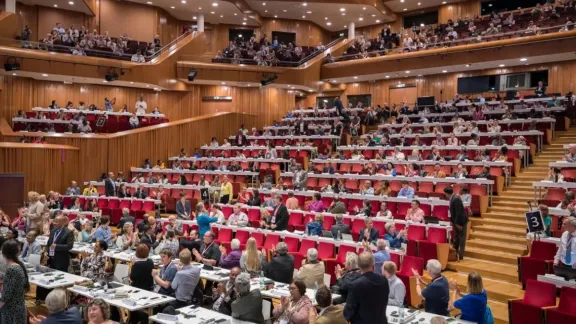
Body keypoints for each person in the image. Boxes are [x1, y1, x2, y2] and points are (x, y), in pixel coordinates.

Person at [343, 252, 389, 324]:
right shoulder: (384, 280)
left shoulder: (355, 285)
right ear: (373, 266)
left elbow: (347, 313)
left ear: (359, 267)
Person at [0, 240, 28, 324]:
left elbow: (6, 296)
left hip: (11, 312)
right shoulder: (18, 265)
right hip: (18, 308)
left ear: (3, 253)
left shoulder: (11, 269)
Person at [445, 187, 468, 260]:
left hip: (461, 222)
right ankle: (455, 253)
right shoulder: (452, 198)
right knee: (456, 238)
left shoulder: (456, 199)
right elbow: (452, 212)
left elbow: (458, 213)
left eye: (445, 193)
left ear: (447, 193)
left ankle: (460, 255)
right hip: (455, 221)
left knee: (461, 239)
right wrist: (452, 221)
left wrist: (458, 224)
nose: (444, 195)